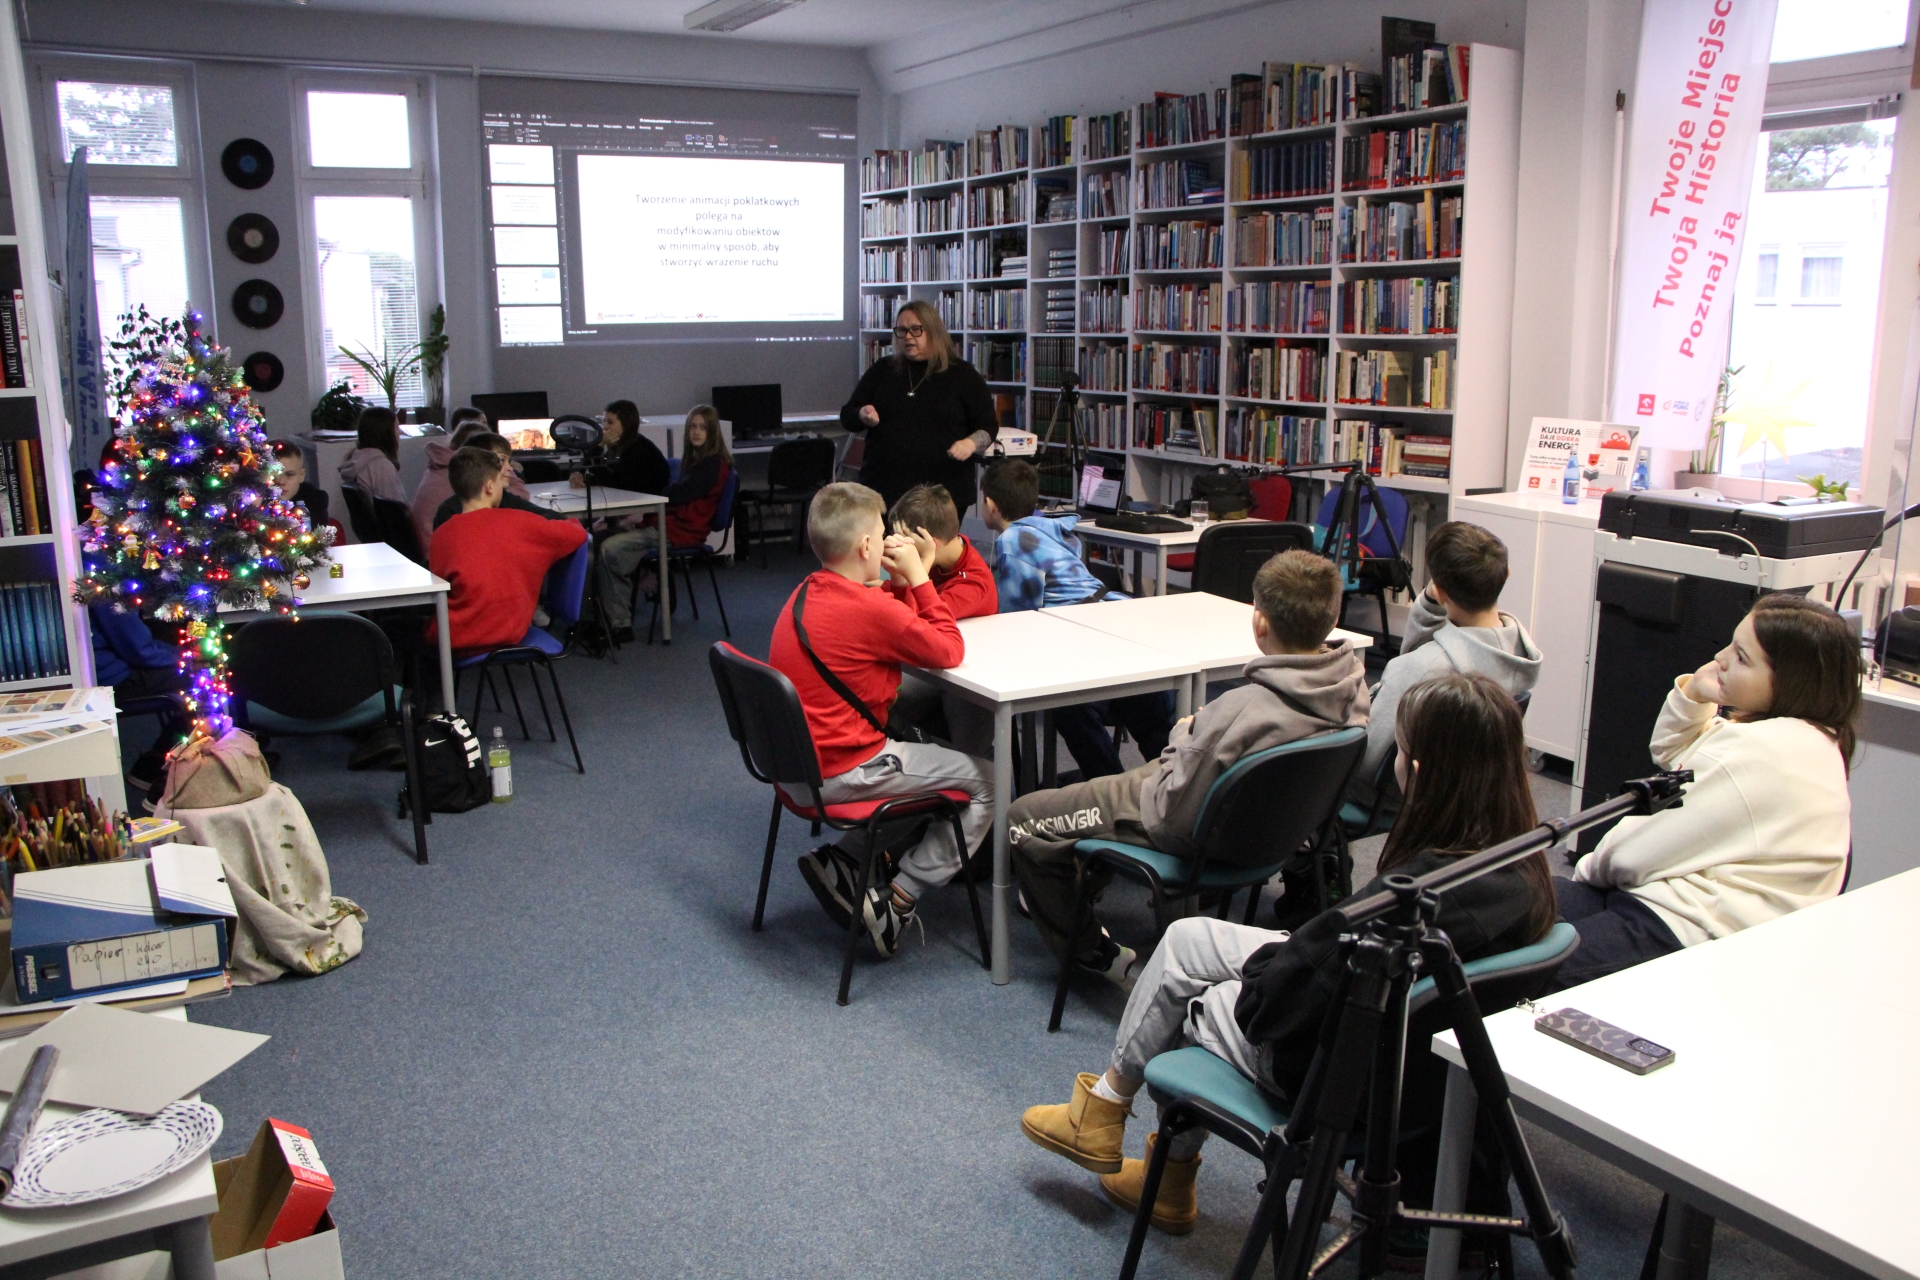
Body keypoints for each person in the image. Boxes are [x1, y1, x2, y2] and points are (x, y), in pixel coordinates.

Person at [1019, 673, 1554, 1235]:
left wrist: (1262, 972)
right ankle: (1106, 1110)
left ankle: (1159, 1168)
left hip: (1338, 1070)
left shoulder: (1409, 897)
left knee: (1193, 997)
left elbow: (1273, 1002)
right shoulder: (1522, 868)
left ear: (1416, 772)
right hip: (1415, 1063)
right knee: (1185, 940)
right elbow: (1324, 957)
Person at [1009, 550, 1368, 989]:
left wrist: (1184, 736)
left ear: (1259, 624)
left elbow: (1174, 810)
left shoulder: (1240, 709)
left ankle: (1094, 953)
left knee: (1024, 819)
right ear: (1332, 619)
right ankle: (1089, 874)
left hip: (1181, 820)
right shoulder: (1352, 686)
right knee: (1104, 790)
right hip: (1276, 832)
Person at [1551, 593, 1857, 989]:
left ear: (1790, 681)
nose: (1721, 660)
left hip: (1678, 930)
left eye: (1742, 658)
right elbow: (1675, 755)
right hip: (1693, 915)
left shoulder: (1762, 751)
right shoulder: (1809, 737)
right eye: (1730, 644)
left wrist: (1586, 873)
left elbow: (1641, 847)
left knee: (1503, 963)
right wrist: (1695, 693)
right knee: (1510, 909)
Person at [767, 482, 995, 956]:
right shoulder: (869, 608)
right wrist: (921, 579)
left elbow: (892, 623)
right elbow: (949, 649)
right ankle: (901, 897)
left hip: (792, 770)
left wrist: (904, 583)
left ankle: (845, 861)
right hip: (841, 772)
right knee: (990, 780)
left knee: (925, 755)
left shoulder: (807, 591)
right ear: (868, 545)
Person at [981, 457, 1174, 778]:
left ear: (990, 505)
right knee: (1152, 721)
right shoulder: (1049, 528)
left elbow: (1013, 624)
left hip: (1088, 639)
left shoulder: (1011, 542)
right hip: (1122, 624)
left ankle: (1108, 784)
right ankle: (1173, 788)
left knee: (1071, 707)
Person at [1358, 521, 1541, 803]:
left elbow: (1368, 763)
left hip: (1396, 798)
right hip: (1462, 795)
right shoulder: (1518, 653)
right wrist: (1430, 605)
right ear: (1507, 574)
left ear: (1440, 590)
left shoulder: (1422, 669)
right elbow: (1423, 652)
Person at [839, 299, 998, 514]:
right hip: (884, 491)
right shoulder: (882, 371)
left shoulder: (962, 374)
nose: (908, 337)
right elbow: (847, 416)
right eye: (902, 331)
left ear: (933, 331)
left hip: (942, 494)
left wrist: (970, 443)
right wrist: (862, 414)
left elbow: (988, 426)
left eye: (916, 330)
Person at [429, 447, 588, 656]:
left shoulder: (442, 534)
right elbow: (577, 534)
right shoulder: (520, 522)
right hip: (511, 632)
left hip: (454, 638)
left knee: (396, 627)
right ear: (489, 487)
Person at [597, 405, 735, 642]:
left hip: (678, 532)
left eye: (703, 428)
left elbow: (675, 495)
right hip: (664, 524)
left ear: (713, 432)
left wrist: (667, 492)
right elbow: (673, 492)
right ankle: (602, 613)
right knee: (597, 539)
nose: (696, 433)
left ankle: (620, 624)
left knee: (610, 549)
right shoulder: (698, 462)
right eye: (693, 427)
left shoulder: (712, 465)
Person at [883, 483, 998, 752]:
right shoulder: (937, 562)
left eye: (904, 541)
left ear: (930, 545)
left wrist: (916, 570)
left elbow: (911, 621)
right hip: (929, 664)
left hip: (963, 678)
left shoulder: (973, 586)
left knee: (886, 699)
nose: (897, 547)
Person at [89, 605, 189, 791]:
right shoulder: (108, 587)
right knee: (202, 677)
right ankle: (152, 769)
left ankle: (157, 762)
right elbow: (139, 651)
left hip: (103, 670)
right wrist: (186, 656)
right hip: (113, 679)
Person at [410, 416, 526, 556]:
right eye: (500, 460)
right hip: (440, 560)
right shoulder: (461, 485)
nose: (508, 468)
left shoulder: (442, 468)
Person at [430, 433, 552, 530]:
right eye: (501, 460)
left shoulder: (505, 498)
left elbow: (550, 518)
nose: (509, 468)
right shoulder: (449, 511)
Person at [570, 399, 670, 497]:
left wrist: (600, 444)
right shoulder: (618, 447)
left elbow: (614, 481)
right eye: (603, 422)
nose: (604, 427)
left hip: (647, 506)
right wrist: (579, 477)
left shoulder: (640, 449)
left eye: (610, 422)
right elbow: (590, 471)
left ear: (626, 424)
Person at [337, 405, 407, 505]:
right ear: (385, 433)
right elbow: (395, 512)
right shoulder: (382, 467)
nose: (400, 432)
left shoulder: (356, 459)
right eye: (396, 427)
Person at [268, 441, 329, 529]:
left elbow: (320, 539)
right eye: (273, 475)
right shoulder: (253, 500)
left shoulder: (315, 499)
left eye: (289, 475)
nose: (281, 481)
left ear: (301, 475)